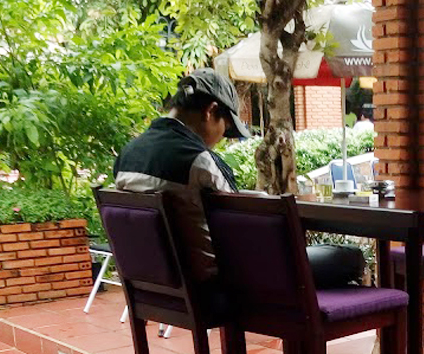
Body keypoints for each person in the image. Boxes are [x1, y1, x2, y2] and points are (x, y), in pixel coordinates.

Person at [115, 68, 363, 287]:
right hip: (221, 285)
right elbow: (239, 229)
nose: (220, 139)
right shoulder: (199, 161)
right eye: (225, 129)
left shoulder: (127, 155)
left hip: (160, 284)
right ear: (211, 111)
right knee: (348, 257)